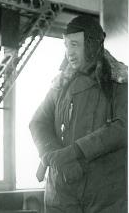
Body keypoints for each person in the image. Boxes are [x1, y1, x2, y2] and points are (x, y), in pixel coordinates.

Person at [29, 15, 127, 213]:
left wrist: (76, 151)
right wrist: (54, 154)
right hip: (61, 192)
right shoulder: (60, 84)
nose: (69, 53)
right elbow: (38, 123)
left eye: (75, 44)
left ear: (91, 45)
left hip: (104, 196)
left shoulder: (119, 81)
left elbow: (123, 126)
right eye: (66, 45)